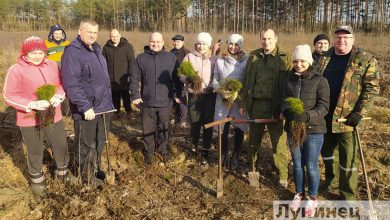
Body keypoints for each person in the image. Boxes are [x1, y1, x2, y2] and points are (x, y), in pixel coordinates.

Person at [315, 25, 380, 200]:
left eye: (346, 37)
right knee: (327, 153)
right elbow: (313, 82)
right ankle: (331, 181)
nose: (341, 41)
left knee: (349, 160)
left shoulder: (365, 59)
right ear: (334, 39)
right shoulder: (324, 58)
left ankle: (347, 197)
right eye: (338, 37)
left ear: (352, 39)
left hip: (347, 119)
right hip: (324, 115)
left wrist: (359, 112)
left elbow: (372, 88)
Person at [3, 36, 70, 196]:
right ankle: (37, 181)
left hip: (53, 115)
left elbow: (61, 85)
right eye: (33, 52)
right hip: (29, 118)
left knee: (60, 144)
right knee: (35, 150)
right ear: (25, 53)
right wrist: (30, 105)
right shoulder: (16, 70)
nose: (38, 56)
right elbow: (8, 95)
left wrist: (59, 96)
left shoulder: (52, 65)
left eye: (41, 52)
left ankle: (62, 173)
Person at [61, 19, 115, 185]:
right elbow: (72, 83)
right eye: (89, 31)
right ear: (80, 31)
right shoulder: (73, 52)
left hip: (103, 107)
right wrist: (85, 107)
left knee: (99, 143)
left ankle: (95, 169)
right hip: (88, 109)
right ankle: (87, 178)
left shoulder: (96, 49)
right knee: (85, 145)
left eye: (95, 32)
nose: (92, 35)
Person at [240, 28, 291, 188]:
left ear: (275, 39)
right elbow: (246, 80)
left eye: (269, 39)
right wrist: (243, 102)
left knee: (278, 143)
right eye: (263, 39)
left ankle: (283, 174)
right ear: (260, 39)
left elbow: (291, 85)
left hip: (276, 107)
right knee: (254, 142)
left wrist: (285, 108)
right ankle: (253, 171)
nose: (266, 42)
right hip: (256, 106)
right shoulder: (254, 57)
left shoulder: (285, 57)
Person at [283, 44, 329, 217]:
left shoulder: (320, 80)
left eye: (302, 61)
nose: (299, 64)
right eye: (295, 61)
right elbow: (284, 99)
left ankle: (312, 197)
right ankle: (299, 193)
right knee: (297, 163)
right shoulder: (289, 79)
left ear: (309, 61)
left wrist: (307, 116)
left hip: (314, 130)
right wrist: (285, 110)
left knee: (310, 165)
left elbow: (324, 106)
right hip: (292, 128)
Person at [130, 32, 179, 165]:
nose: (155, 44)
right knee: (148, 129)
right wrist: (135, 95)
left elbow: (177, 79)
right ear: (149, 42)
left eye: (158, 42)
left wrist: (177, 95)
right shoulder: (140, 58)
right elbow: (134, 78)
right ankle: (148, 152)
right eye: (153, 42)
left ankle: (163, 150)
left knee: (164, 128)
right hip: (147, 102)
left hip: (165, 102)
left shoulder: (171, 58)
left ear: (163, 42)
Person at [212, 34, 249, 170]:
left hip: (239, 100)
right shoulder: (220, 59)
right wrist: (220, 90)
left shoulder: (247, 60)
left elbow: (248, 80)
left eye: (237, 44)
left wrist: (238, 93)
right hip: (222, 99)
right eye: (231, 44)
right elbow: (215, 78)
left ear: (241, 46)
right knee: (223, 128)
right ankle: (223, 154)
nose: (233, 47)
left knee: (239, 128)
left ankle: (235, 156)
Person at [183, 32, 217, 165]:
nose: (201, 46)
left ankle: (206, 150)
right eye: (199, 43)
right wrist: (189, 79)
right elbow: (181, 74)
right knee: (195, 123)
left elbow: (217, 76)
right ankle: (193, 147)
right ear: (196, 44)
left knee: (208, 123)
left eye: (204, 44)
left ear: (208, 45)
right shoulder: (189, 57)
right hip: (194, 95)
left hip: (209, 96)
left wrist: (212, 87)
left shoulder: (214, 59)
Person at [103, 29, 135, 117]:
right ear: (110, 37)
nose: (114, 38)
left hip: (124, 77)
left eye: (116, 36)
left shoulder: (127, 46)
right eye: (112, 36)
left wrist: (130, 75)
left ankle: (128, 110)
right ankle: (116, 111)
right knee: (115, 96)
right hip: (111, 77)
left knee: (125, 95)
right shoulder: (106, 47)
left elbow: (132, 61)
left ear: (120, 36)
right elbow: (103, 62)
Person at [45, 24, 71, 116]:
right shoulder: (46, 44)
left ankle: (67, 110)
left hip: (65, 69)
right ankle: (53, 110)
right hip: (52, 71)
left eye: (60, 33)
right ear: (52, 34)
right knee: (53, 90)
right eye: (56, 33)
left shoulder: (68, 43)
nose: (58, 35)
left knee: (65, 88)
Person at [170, 34, 190, 127]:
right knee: (174, 100)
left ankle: (183, 120)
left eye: (178, 41)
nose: (176, 43)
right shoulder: (171, 52)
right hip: (173, 80)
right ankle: (175, 117)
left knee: (182, 101)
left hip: (183, 81)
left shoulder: (187, 53)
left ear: (182, 42)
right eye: (174, 41)